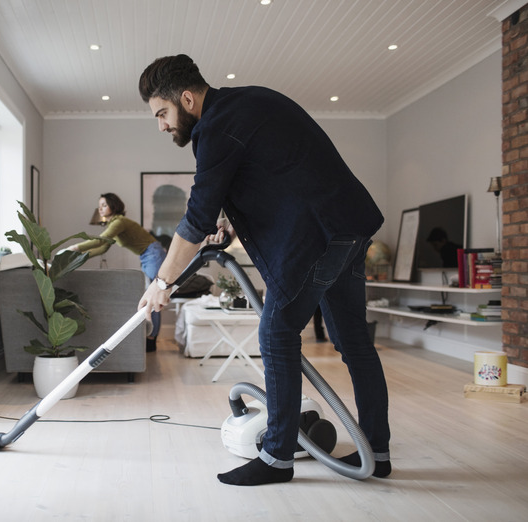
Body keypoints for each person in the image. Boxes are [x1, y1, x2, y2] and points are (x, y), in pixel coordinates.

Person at [137, 54, 391, 485]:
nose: (161, 125)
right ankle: (377, 452)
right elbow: (281, 176)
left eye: (162, 113)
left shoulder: (215, 127)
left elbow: (196, 216)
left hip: (317, 237)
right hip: (346, 226)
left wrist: (162, 281)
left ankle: (277, 458)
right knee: (354, 344)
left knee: (276, 334)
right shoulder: (250, 102)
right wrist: (229, 223)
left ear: (186, 98)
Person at [70, 193, 167, 352]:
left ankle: (151, 339)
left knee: (154, 295)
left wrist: (75, 248)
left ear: (113, 206)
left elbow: (100, 240)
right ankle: (150, 339)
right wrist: (78, 257)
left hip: (153, 255)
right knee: (150, 295)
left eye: (104, 205)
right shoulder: (116, 224)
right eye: (99, 205)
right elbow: (103, 247)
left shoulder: (119, 222)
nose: (100, 209)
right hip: (147, 255)